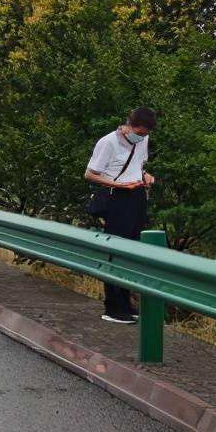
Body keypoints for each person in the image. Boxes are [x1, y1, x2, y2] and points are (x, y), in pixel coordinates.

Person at [84, 106, 157, 324]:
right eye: (140, 133)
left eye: (145, 134)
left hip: (136, 195)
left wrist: (145, 176)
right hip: (117, 196)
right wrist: (118, 184)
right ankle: (113, 306)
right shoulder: (108, 142)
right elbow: (90, 174)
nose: (142, 137)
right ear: (129, 125)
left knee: (131, 251)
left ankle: (126, 304)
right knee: (116, 250)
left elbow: (137, 166)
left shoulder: (142, 140)